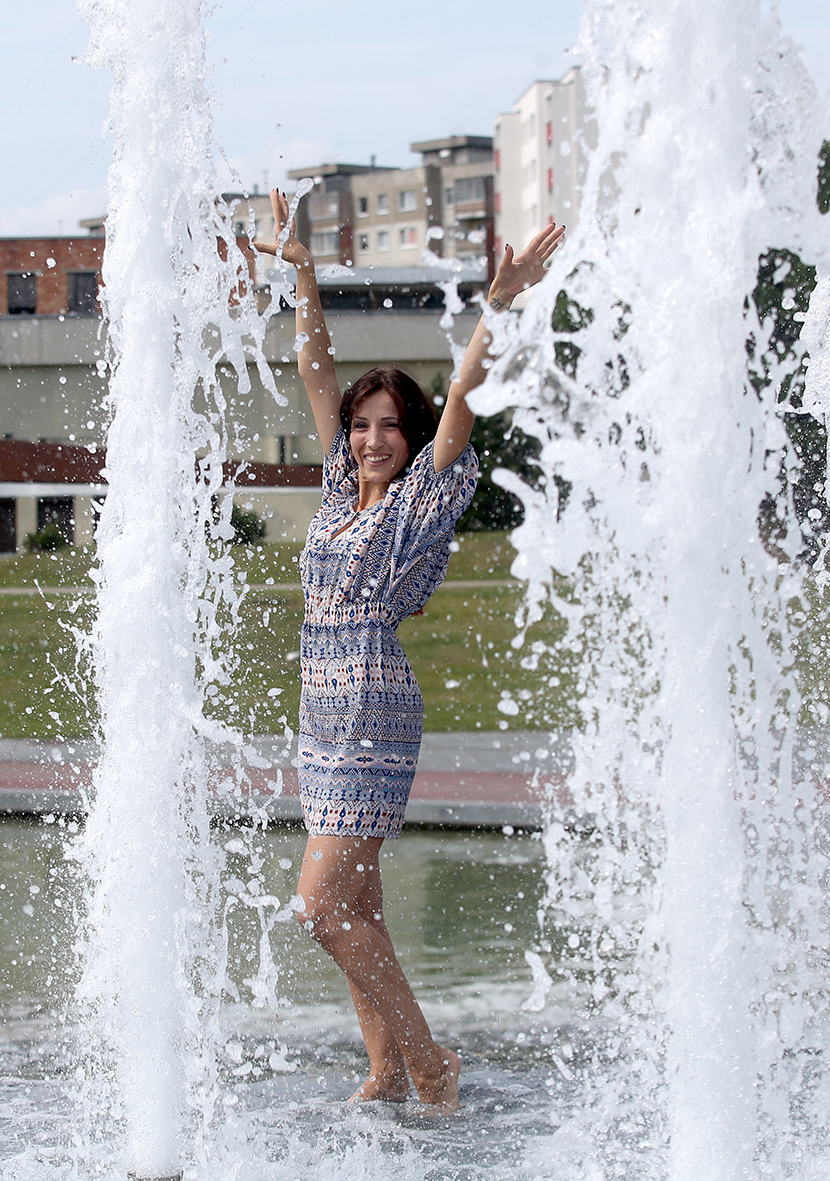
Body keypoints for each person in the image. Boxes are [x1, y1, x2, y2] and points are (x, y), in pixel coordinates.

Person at [249, 190, 563, 1113]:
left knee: (319, 909)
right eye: (360, 425)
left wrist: (494, 308)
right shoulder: (344, 494)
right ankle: (385, 1069)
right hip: (321, 705)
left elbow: (463, 396)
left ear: (411, 435)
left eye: (388, 424)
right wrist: (302, 274)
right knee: (361, 909)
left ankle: (427, 1058)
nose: (370, 437)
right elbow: (316, 373)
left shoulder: (427, 492)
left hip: (372, 704)